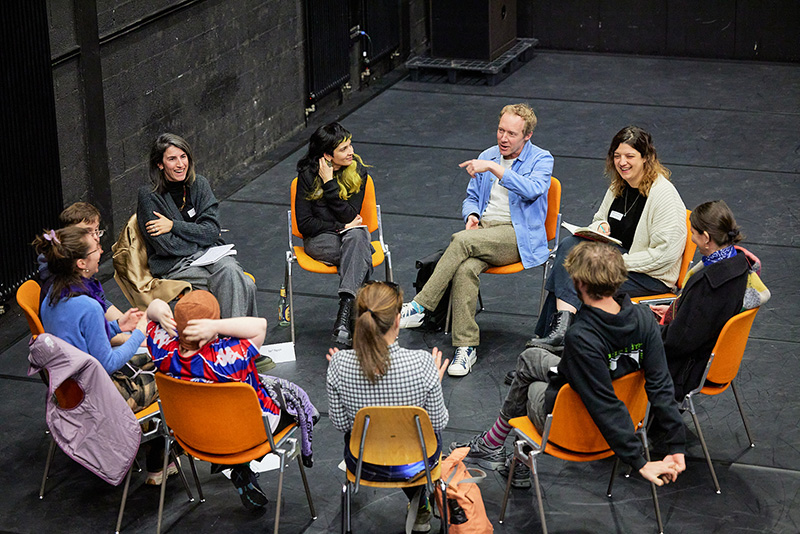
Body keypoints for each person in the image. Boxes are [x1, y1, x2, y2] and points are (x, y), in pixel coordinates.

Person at [453, 242, 686, 489]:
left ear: (580, 285)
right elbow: (660, 384)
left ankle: (503, 450)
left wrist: (639, 462)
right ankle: (502, 451)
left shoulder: (582, 337)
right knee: (532, 357)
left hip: (574, 426)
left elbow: (604, 404)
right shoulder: (645, 320)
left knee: (531, 385)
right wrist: (676, 445)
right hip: (629, 414)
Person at [399, 103, 554, 376]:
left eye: (512, 134)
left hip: (518, 234)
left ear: (527, 136)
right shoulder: (488, 155)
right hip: (484, 231)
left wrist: (495, 169)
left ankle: (420, 306)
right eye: (500, 130)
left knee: (460, 242)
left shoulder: (541, 159)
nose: (503, 138)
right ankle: (466, 347)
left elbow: (534, 190)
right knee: (465, 268)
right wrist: (471, 214)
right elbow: (472, 197)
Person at [145, 290, 318, 510]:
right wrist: (216, 327)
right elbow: (260, 326)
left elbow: (153, 309)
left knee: (221, 411)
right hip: (247, 434)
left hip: (192, 435)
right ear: (211, 324)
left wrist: (161, 314)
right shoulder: (227, 357)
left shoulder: (161, 348)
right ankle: (241, 465)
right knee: (302, 409)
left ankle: (241, 469)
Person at [528, 125, 686, 355]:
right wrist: (599, 228)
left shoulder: (663, 195)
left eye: (630, 156)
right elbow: (600, 219)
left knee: (576, 278)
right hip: (616, 260)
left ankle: (547, 348)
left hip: (649, 275)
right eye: (617, 156)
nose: (622, 162)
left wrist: (614, 264)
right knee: (569, 249)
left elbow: (664, 255)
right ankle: (554, 340)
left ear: (646, 158)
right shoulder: (619, 185)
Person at [35, 226, 169, 483]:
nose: (101, 251)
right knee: (172, 376)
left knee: (158, 357)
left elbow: (76, 335)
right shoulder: (88, 305)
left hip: (71, 389)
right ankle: (159, 461)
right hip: (99, 396)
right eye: (96, 249)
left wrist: (119, 326)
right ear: (81, 263)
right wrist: (140, 332)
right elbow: (107, 363)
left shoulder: (53, 295)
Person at [326, 281, 449, 533]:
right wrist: (433, 383)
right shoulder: (422, 363)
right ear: (397, 320)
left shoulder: (338, 363)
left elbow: (340, 424)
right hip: (417, 463)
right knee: (421, 437)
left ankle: (419, 503)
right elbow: (437, 423)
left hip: (364, 462)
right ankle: (421, 501)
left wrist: (338, 375)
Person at [651, 200, 770, 400]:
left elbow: (676, 343)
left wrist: (647, 332)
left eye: (694, 233)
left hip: (684, 370)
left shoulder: (709, 285)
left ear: (706, 237)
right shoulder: (740, 266)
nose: (692, 239)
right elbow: (701, 319)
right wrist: (677, 310)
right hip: (710, 357)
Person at [137, 133, 257, 319]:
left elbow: (211, 231)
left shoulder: (199, 184)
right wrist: (200, 239)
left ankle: (232, 341)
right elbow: (167, 246)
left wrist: (173, 226)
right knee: (242, 283)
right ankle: (238, 342)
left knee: (233, 274)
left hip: (211, 254)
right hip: (175, 264)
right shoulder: (148, 196)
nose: (180, 164)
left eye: (183, 157)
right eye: (172, 159)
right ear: (160, 164)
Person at [294, 122, 375, 346]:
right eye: (343, 149)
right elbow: (306, 225)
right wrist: (340, 227)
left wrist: (330, 183)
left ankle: (345, 310)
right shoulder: (308, 175)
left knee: (357, 238)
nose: (351, 152)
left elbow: (351, 216)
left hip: (351, 237)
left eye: (350, 145)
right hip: (320, 241)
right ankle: (354, 317)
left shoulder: (358, 171)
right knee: (360, 250)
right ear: (327, 155)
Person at [38, 202, 142, 346]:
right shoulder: (69, 291)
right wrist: (135, 339)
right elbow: (95, 344)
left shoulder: (77, 275)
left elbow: (102, 304)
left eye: (97, 231)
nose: (96, 238)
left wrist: (128, 324)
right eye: (87, 233)